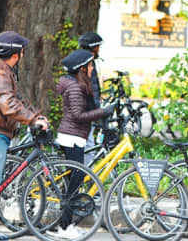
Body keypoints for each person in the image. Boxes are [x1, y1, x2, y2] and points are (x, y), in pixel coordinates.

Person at [0, 31, 48, 241]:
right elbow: (8, 104)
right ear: (15, 54)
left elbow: (19, 99)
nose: (23, 54)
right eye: (22, 50)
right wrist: (33, 121)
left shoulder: (1, 69)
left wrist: (36, 115)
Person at [55, 48, 114, 239]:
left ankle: (65, 225)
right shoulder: (75, 87)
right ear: (81, 69)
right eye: (89, 66)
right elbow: (79, 116)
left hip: (73, 136)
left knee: (72, 182)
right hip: (72, 137)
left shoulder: (76, 85)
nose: (91, 69)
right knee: (75, 183)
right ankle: (64, 227)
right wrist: (103, 112)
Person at [78, 32, 104, 165]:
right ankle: (87, 178)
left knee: (86, 145)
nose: (99, 49)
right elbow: (92, 90)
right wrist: (98, 113)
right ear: (93, 48)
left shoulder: (81, 61)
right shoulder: (87, 64)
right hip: (85, 113)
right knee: (88, 147)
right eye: (98, 46)